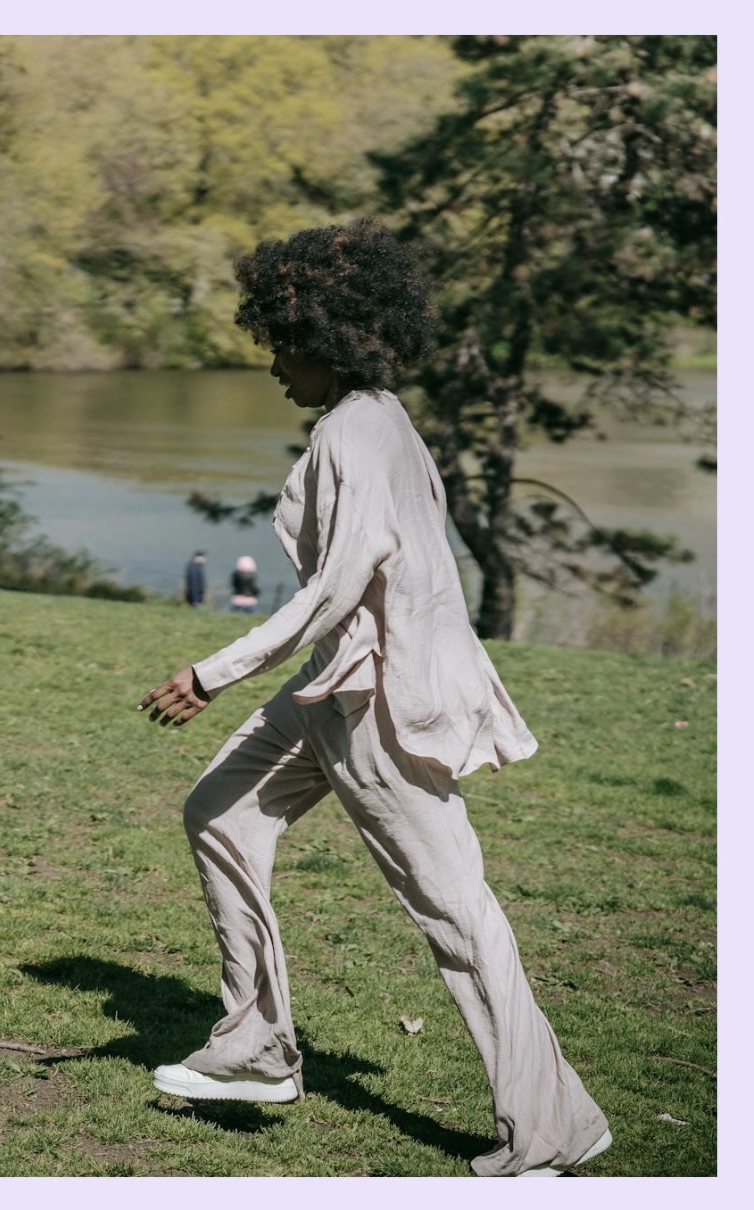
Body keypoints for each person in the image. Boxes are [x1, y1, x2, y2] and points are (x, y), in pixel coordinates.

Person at [136, 220, 609, 1177]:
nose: (276, 366)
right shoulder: (376, 416)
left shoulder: (358, 429)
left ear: (328, 336)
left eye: (284, 346)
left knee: (455, 912)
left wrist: (212, 671)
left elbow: (335, 589)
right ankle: (256, 1046)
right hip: (332, 689)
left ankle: (554, 1126)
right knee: (218, 812)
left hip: (379, 703)